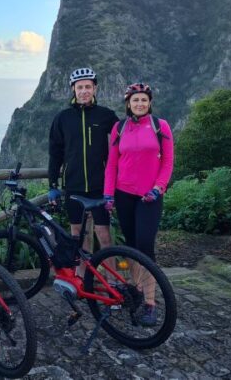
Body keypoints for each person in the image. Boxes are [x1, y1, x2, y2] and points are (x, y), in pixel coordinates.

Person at [103, 82, 174, 326]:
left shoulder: (160, 126)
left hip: (149, 196)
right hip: (123, 195)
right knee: (132, 246)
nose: (140, 104)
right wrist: (108, 194)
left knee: (145, 245)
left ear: (150, 102)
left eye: (144, 100)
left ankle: (151, 303)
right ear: (128, 104)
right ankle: (136, 290)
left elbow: (167, 162)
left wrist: (158, 188)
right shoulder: (119, 128)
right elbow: (112, 164)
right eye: (136, 100)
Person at [48, 67, 119, 258]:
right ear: (73, 89)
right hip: (73, 185)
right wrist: (53, 185)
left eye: (88, 86)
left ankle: (110, 280)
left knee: (104, 235)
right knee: (77, 234)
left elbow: (123, 143)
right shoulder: (62, 118)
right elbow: (55, 153)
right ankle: (82, 279)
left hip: (100, 186)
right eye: (80, 87)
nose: (84, 91)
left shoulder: (106, 115)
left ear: (95, 89)